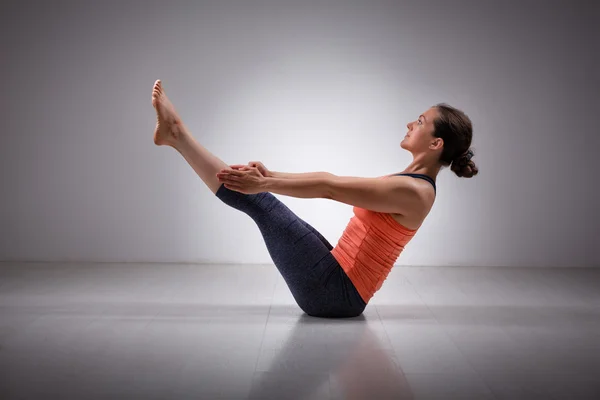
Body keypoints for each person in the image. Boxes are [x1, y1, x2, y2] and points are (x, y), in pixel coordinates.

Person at [151, 79, 478, 318]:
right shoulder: (412, 182)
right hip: (337, 279)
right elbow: (328, 183)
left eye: (420, 122)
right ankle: (176, 135)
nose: (410, 123)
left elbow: (329, 187)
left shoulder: (414, 192)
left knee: (258, 200)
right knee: (260, 195)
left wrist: (265, 183)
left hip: (335, 294)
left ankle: (177, 134)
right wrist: (268, 178)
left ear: (436, 144)